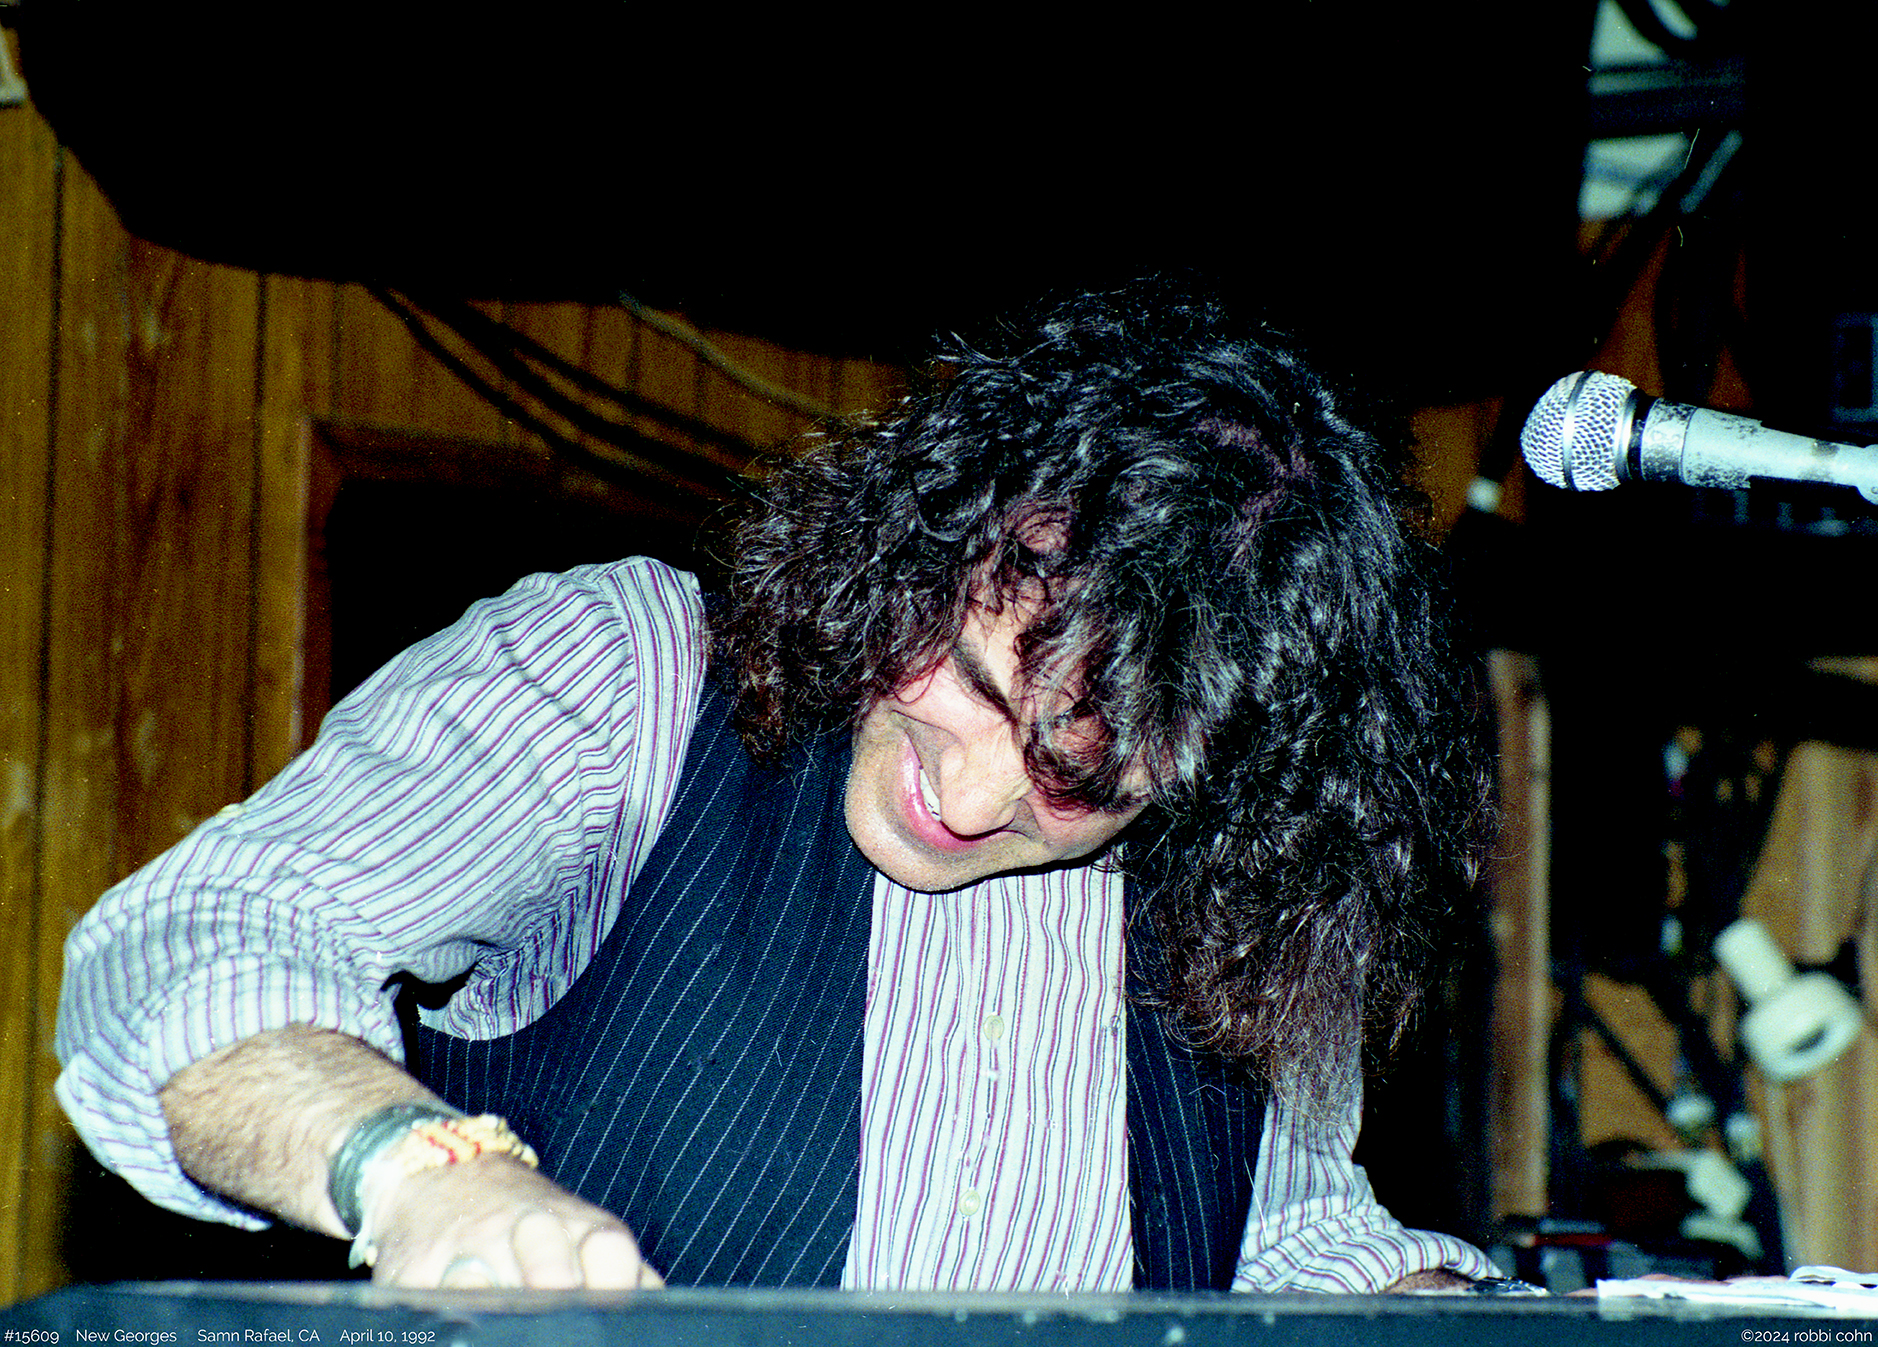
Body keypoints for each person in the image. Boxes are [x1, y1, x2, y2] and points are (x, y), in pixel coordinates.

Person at [57, 275, 1498, 1293]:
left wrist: (1432, 1310)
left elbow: (1279, 1231)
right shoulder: (627, 678)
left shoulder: (1242, 881)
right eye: (972, 678)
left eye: (1078, 780)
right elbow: (203, 940)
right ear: (937, 531)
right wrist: (421, 1171)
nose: (970, 796)